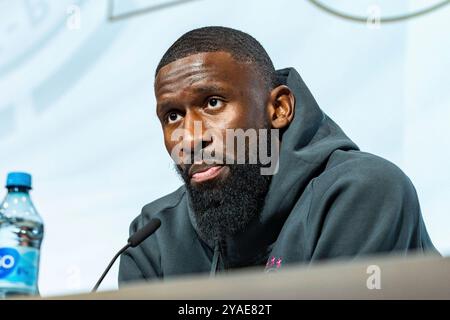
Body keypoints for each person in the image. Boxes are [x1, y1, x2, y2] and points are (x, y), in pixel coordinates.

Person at [118, 26, 438, 284]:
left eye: (213, 103)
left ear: (279, 108)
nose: (190, 138)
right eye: (172, 116)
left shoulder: (362, 192)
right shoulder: (154, 237)